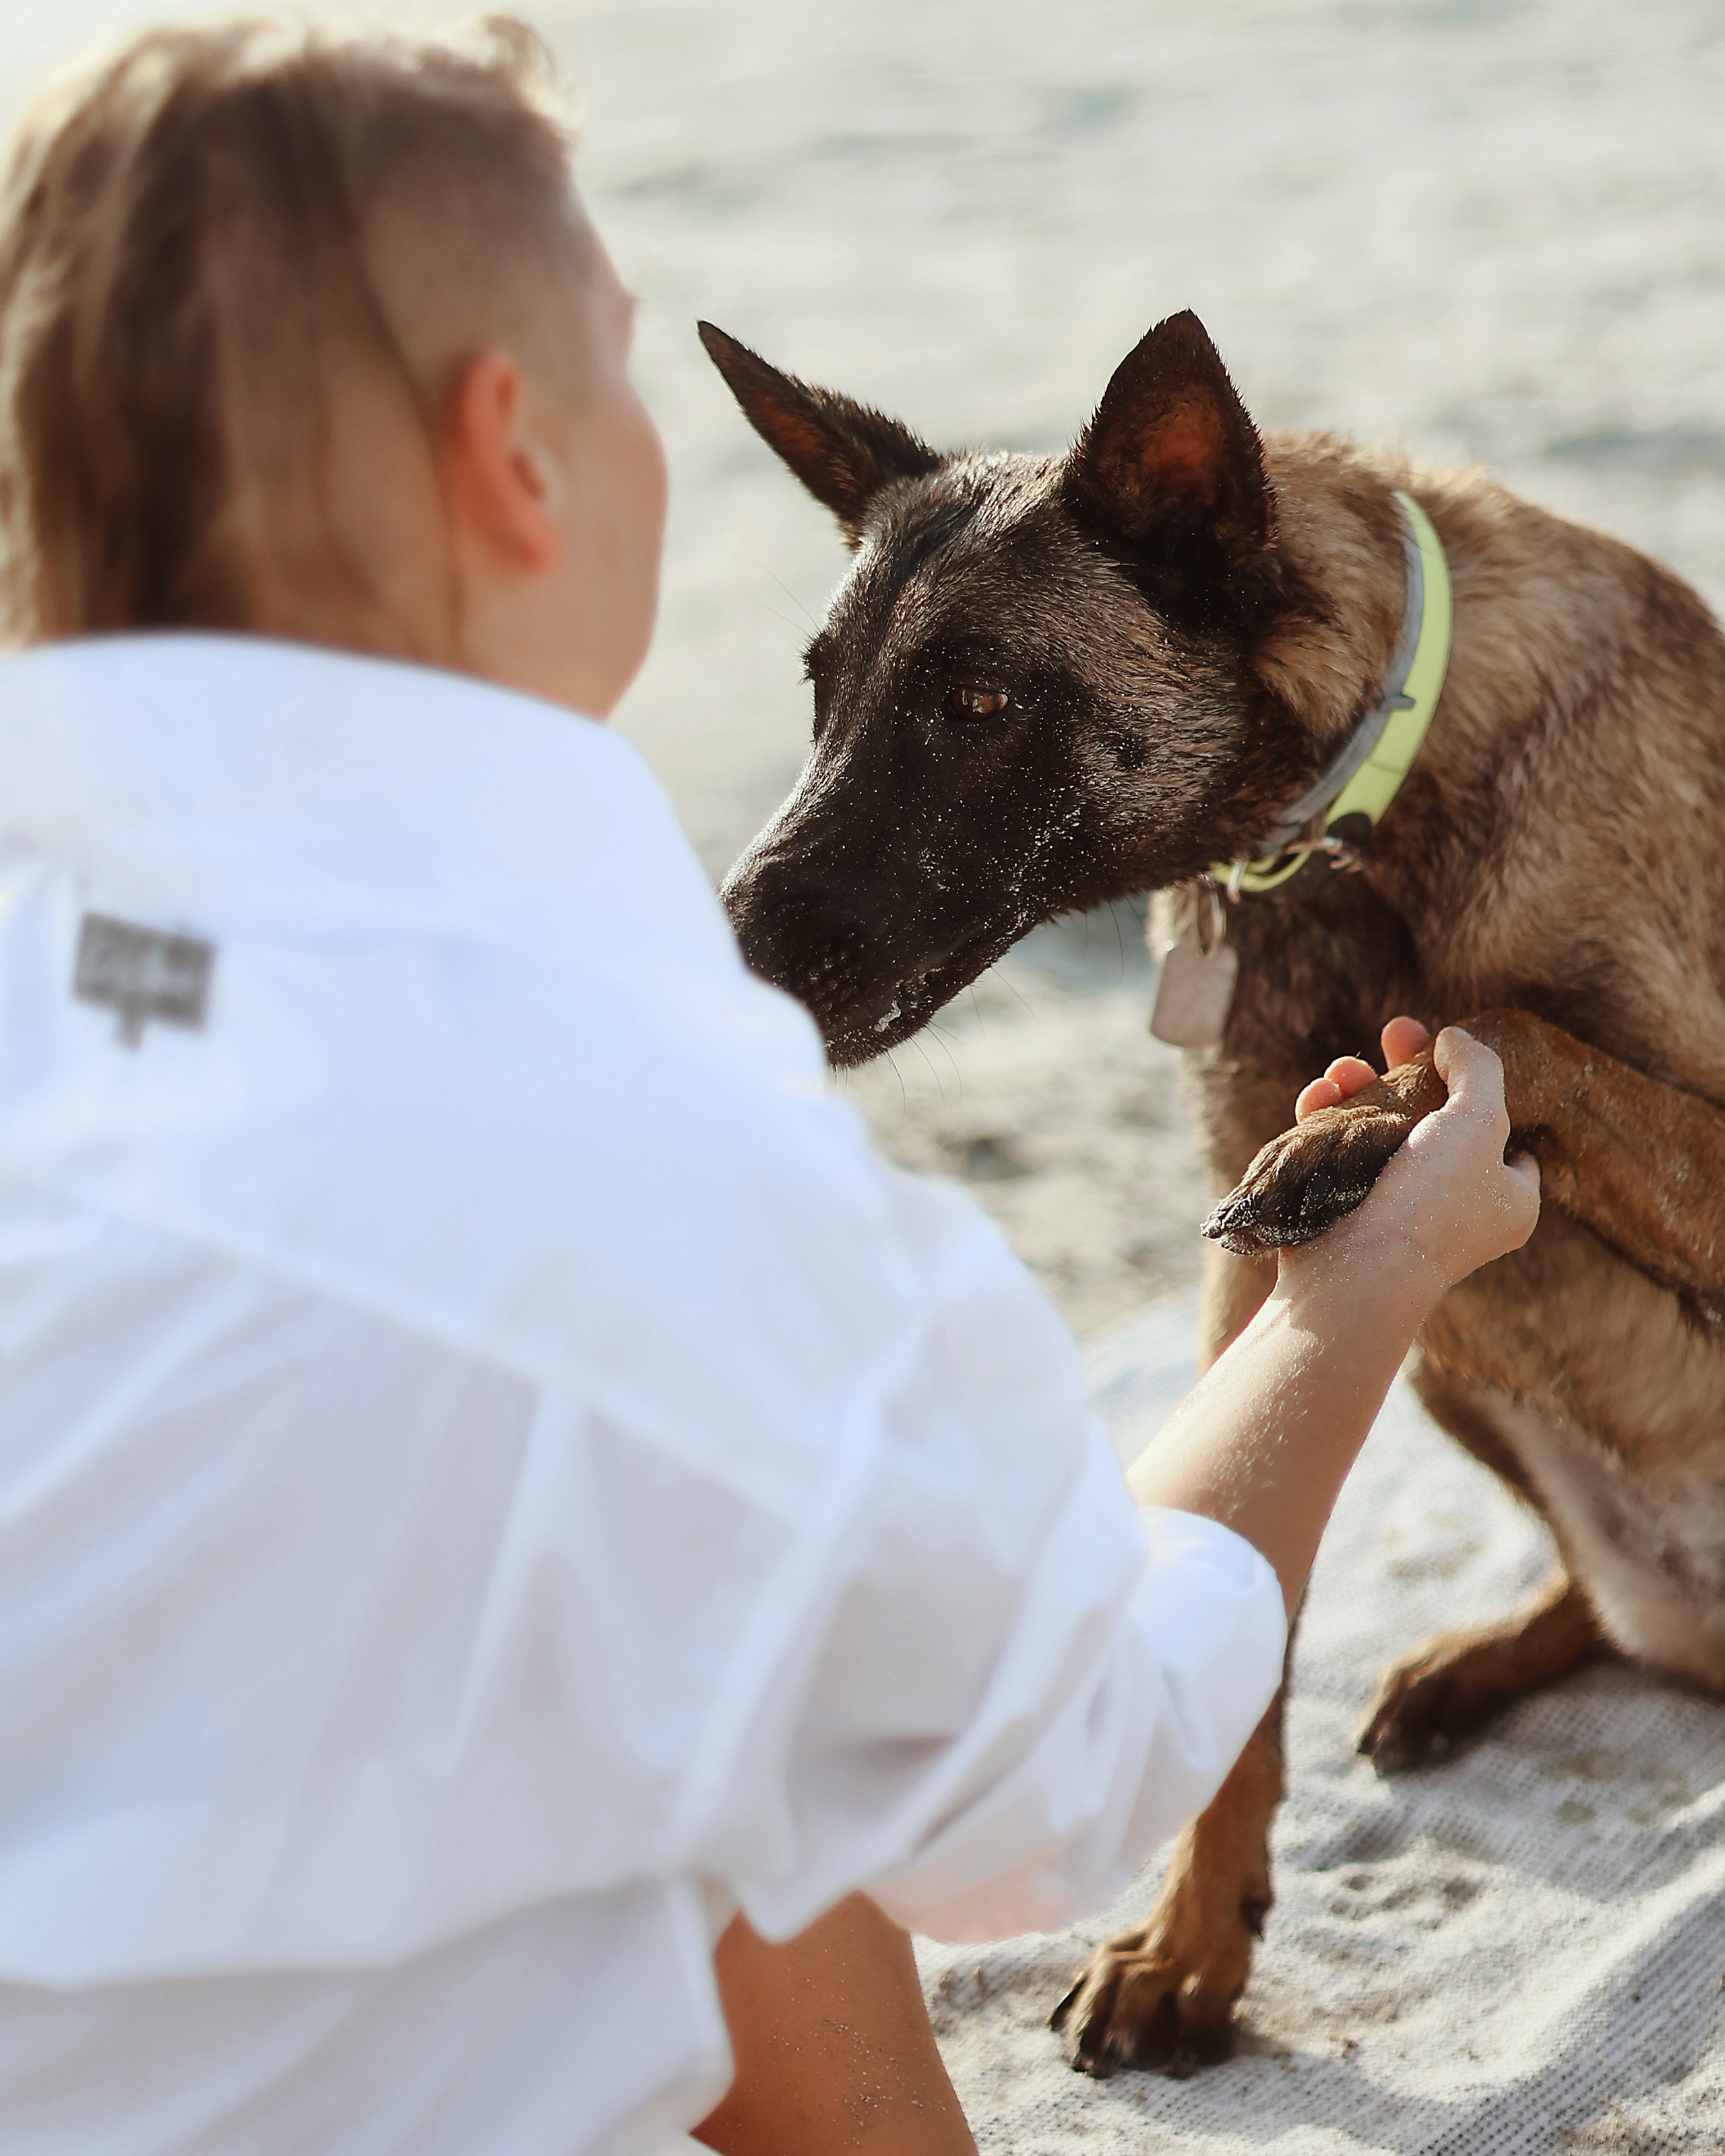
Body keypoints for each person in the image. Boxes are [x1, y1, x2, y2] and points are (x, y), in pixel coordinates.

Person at [0, 19, 1540, 2156]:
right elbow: (1067, 1776)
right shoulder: (607, 1127)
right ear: (511, 453)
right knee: (744, 1689)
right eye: (621, 371)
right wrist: (1353, 1298)